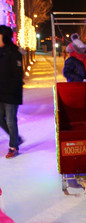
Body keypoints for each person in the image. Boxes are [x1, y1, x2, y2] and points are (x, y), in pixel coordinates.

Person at [0, 25, 24, 158]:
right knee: (0, 119)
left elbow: (17, 75)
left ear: (5, 37)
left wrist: (12, 90)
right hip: (1, 93)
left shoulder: (14, 53)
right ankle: (16, 138)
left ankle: (13, 146)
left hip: (10, 93)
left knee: (10, 120)